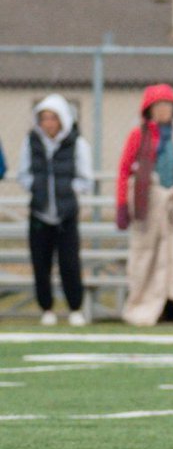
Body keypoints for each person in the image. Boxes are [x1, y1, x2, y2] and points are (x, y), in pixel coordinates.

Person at [115, 84, 173, 326]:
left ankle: (172, 304)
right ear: (149, 110)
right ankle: (144, 307)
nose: (163, 110)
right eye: (157, 106)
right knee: (146, 256)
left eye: (167, 105)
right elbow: (125, 169)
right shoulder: (139, 135)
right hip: (149, 205)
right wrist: (122, 205)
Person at [16, 94, 92, 325]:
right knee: (41, 263)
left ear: (63, 120)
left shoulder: (77, 143)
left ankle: (75, 308)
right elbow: (23, 174)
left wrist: (67, 191)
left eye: (53, 118)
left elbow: (85, 178)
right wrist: (38, 190)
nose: (48, 123)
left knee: (69, 263)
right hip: (39, 212)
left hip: (66, 213)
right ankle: (46, 308)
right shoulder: (31, 142)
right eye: (44, 118)